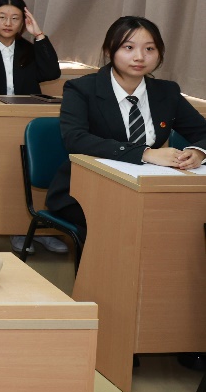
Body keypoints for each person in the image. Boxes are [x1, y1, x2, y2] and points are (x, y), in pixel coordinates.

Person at [46, 16, 206, 244]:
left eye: (149, 49)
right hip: (87, 189)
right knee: (130, 221)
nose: (139, 57)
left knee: (183, 218)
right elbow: (76, 139)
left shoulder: (167, 92)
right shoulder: (82, 89)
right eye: (128, 47)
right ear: (109, 51)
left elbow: (203, 132)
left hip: (145, 187)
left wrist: (198, 152)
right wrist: (145, 153)